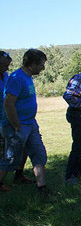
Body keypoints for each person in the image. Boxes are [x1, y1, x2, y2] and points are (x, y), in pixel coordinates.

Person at [0, 49, 49, 195]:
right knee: (11, 159)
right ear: (32, 64)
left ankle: (42, 188)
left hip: (30, 123)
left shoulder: (27, 77)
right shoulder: (17, 78)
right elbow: (8, 104)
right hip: (17, 126)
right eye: (41, 64)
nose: (43, 68)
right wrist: (16, 126)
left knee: (39, 154)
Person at [0, 51, 33, 187]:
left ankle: (18, 174)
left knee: (22, 146)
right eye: (4, 65)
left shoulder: (6, 75)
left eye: (8, 65)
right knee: (5, 151)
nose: (8, 68)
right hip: (4, 119)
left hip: (10, 116)